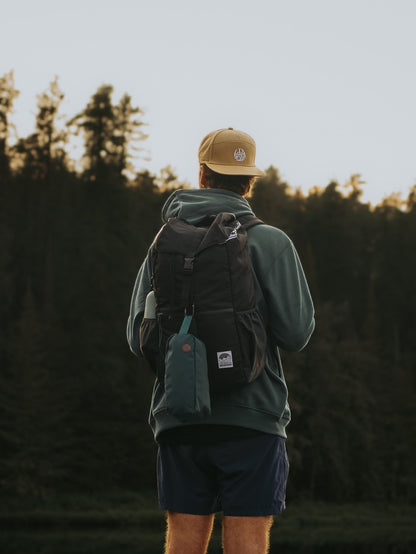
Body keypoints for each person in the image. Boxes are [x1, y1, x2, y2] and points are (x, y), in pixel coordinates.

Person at [127, 128, 315, 554]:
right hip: (253, 420)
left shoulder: (163, 244)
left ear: (201, 173)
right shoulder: (271, 242)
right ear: (249, 181)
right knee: (247, 545)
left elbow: (138, 339)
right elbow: (297, 334)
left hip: (180, 418)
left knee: (183, 543)